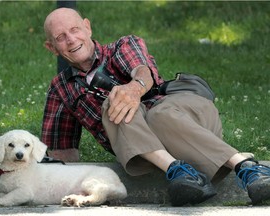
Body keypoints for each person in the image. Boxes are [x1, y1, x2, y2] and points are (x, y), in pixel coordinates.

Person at [41, 7, 270, 206]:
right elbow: (62, 151)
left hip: (186, 116)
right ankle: (182, 172)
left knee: (153, 112)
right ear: (51, 48)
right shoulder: (61, 88)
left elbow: (143, 72)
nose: (71, 39)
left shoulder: (122, 46)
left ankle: (246, 167)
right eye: (60, 37)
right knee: (113, 103)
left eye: (75, 30)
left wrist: (134, 88)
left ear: (87, 28)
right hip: (142, 149)